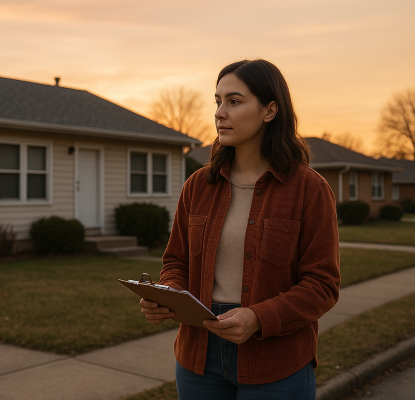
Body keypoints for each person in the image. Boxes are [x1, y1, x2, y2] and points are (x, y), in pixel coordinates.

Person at [140, 59, 340, 400]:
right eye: (217, 101)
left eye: (234, 101)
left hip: (277, 365)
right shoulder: (198, 186)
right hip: (198, 362)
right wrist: (168, 295)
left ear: (270, 110)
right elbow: (176, 261)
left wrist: (259, 317)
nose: (220, 112)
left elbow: (322, 285)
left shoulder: (309, 189)